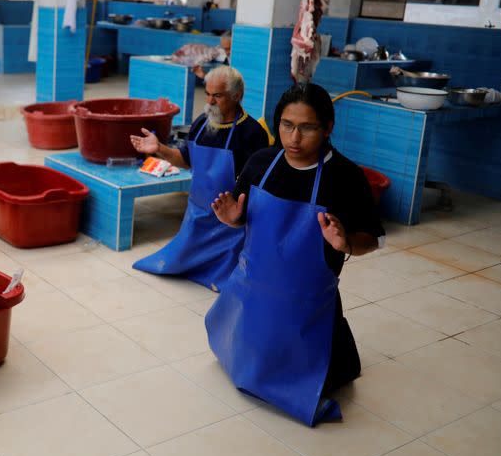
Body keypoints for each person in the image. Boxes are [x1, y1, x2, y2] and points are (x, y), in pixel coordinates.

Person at [206, 82, 385, 426]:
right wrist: (232, 219)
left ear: (328, 127)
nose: (294, 138)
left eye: (307, 127)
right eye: (287, 125)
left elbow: (373, 238)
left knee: (316, 376)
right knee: (241, 359)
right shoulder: (261, 163)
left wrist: (345, 243)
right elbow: (242, 216)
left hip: (306, 303)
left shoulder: (346, 177)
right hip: (251, 294)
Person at [129, 66, 269, 291]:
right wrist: (159, 148)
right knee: (171, 264)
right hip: (197, 215)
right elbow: (185, 160)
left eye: (218, 95)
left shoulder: (252, 134)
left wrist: (238, 214)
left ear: (237, 96)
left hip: (230, 223)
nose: (210, 101)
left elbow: (258, 187)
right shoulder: (202, 124)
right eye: (208, 94)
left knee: (230, 279)